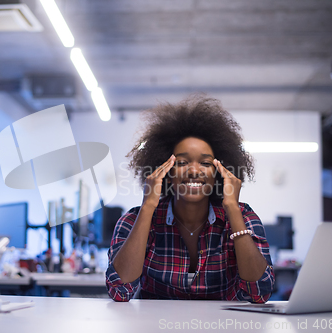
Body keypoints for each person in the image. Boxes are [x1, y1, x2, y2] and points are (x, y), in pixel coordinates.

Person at [106, 95, 275, 302]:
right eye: (182, 162)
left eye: (205, 163)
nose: (194, 171)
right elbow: (119, 291)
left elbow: (260, 292)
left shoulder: (244, 217)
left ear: (220, 172)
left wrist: (232, 208)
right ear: (165, 171)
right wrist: (148, 205)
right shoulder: (134, 220)